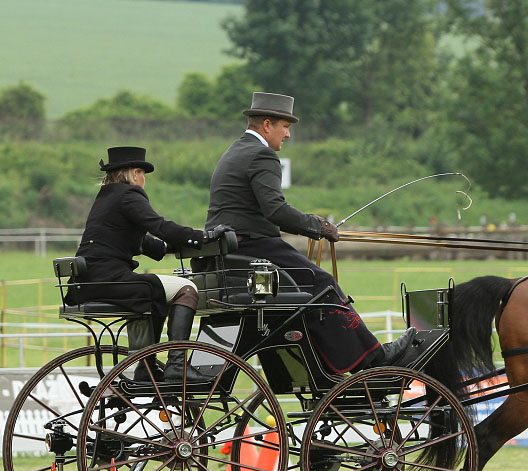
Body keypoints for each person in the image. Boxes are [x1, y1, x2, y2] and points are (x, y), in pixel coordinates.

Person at [205, 92, 418, 373]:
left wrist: (312, 224)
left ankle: (326, 361)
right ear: (267, 124)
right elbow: (275, 210)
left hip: (232, 251)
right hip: (253, 248)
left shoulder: (235, 150)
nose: (288, 135)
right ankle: (372, 357)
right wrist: (318, 226)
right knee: (323, 284)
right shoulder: (261, 155)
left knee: (314, 284)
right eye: (285, 127)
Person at [69, 146, 228, 382]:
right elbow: (159, 226)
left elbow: (140, 240)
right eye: (143, 174)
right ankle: (177, 365)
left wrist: (170, 247)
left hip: (88, 280)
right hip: (110, 279)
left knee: (151, 289)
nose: (144, 180)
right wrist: (201, 238)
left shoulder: (106, 197)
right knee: (186, 289)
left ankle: (146, 366)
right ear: (134, 174)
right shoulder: (129, 195)